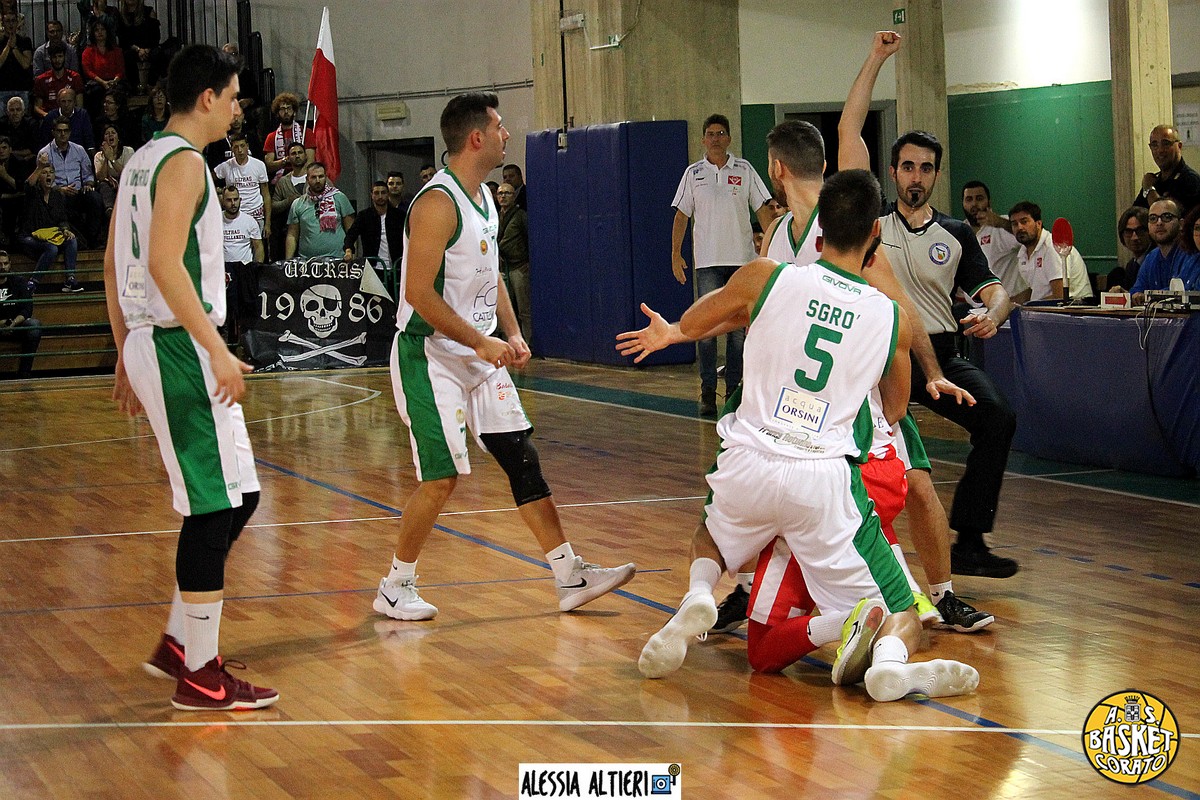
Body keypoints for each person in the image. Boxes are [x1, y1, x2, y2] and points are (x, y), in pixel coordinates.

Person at [633, 170, 977, 702]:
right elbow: (894, 408)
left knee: (711, 538)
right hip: (823, 479)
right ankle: (890, 664)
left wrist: (672, 331)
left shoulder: (765, 276)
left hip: (749, 461)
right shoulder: (891, 318)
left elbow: (697, 322)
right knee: (900, 611)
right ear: (875, 236)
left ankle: (700, 593)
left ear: (819, 233)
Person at [372, 91, 635, 621]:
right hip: (429, 355)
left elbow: (489, 273)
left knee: (521, 456)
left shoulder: (486, 199)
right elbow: (418, 293)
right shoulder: (436, 203)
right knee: (441, 478)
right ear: (477, 138)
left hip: (478, 352)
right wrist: (479, 340)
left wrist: (511, 332)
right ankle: (395, 586)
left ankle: (569, 575)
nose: (507, 133)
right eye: (499, 126)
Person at [104, 43, 277, 711]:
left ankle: (180, 640)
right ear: (207, 98)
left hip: (159, 340)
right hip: (181, 344)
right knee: (211, 507)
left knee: (242, 496)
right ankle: (200, 674)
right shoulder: (183, 163)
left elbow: (115, 263)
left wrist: (125, 348)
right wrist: (216, 351)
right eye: (232, 98)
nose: (237, 110)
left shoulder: (140, 161)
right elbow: (163, 265)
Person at [879, 129, 1018, 579]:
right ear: (893, 172)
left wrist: (993, 315)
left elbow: (998, 292)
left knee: (997, 417)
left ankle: (970, 541)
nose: (916, 177)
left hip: (938, 355)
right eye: (908, 167)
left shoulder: (956, 233)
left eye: (925, 168)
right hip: (883, 356)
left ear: (936, 175)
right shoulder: (874, 228)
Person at [671, 113, 773, 416]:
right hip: (707, 263)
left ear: (729, 138)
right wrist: (676, 254)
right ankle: (706, 391)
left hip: (742, 262)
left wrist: (773, 248)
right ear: (703, 139)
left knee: (738, 332)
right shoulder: (693, 173)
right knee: (706, 329)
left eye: (721, 133)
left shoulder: (745, 169)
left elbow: (763, 209)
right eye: (711, 134)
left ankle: (732, 392)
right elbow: (681, 216)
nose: (716, 138)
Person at [35, 117, 105, 248]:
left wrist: (88, 184)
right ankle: (74, 242)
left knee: (95, 198)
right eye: (59, 131)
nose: (63, 134)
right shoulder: (44, 153)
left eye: (65, 131)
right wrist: (59, 189)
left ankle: (93, 241)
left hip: (78, 192)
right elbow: (42, 179)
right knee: (58, 199)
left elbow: (88, 174)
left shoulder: (79, 150)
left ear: (70, 132)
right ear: (53, 132)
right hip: (57, 193)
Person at [1009, 200, 1092, 303]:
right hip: (1041, 308)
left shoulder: (1053, 247)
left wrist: (1028, 305)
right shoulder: (1022, 254)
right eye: (1014, 224)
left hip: (1073, 308)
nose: (1019, 227)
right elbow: (1034, 290)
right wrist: (1008, 303)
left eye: (1024, 222)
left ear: (1038, 224)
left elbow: (1060, 296)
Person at [20, 162, 81, 291]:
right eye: (44, 173)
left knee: (72, 240)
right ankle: (32, 283)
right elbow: (28, 185)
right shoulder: (33, 194)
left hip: (51, 236)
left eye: (51, 172)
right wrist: (39, 167)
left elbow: (62, 219)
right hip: (30, 236)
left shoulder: (57, 195)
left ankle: (70, 279)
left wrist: (65, 230)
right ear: (38, 177)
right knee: (52, 248)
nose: (48, 175)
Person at [961, 180, 1024, 299]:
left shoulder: (1004, 225)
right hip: (975, 307)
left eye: (979, 198)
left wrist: (1001, 223)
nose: (974, 204)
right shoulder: (960, 231)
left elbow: (1032, 236)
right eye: (969, 199)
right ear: (963, 203)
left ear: (989, 202)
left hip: (1008, 303)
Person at [1128, 198, 1200, 302]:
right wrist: (1127, 295)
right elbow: (1137, 289)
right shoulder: (1151, 257)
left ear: (1181, 224)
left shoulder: (1192, 253)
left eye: (1167, 217)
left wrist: (1148, 296)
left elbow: (1183, 291)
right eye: (1153, 218)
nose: (1159, 223)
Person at [219, 184, 261, 345]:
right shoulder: (215, 220)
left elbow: (258, 247)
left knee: (246, 309)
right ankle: (225, 343)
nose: (233, 203)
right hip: (223, 271)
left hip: (244, 269)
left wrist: (256, 267)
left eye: (236, 199)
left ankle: (246, 344)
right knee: (225, 309)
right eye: (229, 200)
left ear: (240, 200)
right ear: (223, 201)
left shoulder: (249, 221)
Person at [284, 161, 352, 259]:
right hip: (308, 261)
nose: (318, 180)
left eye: (321, 176)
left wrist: (352, 255)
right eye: (313, 177)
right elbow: (292, 235)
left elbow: (351, 230)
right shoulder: (298, 204)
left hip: (338, 259)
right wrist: (288, 261)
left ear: (325, 177)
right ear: (307, 179)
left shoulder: (339, 198)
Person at [1134, 125, 1200, 216]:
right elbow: (1133, 215)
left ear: (1179, 146)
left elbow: (1164, 216)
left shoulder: (1191, 180)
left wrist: (1149, 189)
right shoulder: (1154, 180)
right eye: (1154, 145)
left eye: (1166, 143)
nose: (1160, 150)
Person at [213, 133, 269, 239]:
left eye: (242, 146)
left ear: (247, 146)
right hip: (235, 213)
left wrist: (268, 223)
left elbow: (266, 195)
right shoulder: (226, 166)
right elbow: (209, 177)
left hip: (256, 213)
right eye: (236, 147)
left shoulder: (259, 165)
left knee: (259, 246)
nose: (240, 150)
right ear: (232, 149)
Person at [497, 181, 531, 342]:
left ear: (514, 196)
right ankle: (508, 342)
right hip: (503, 267)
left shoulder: (520, 215)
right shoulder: (495, 216)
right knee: (506, 309)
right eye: (500, 193)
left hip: (519, 266)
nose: (503, 196)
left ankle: (529, 342)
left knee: (524, 309)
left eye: (507, 193)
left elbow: (529, 238)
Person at [0, 248, 40, 376]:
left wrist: (13, 323)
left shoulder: (19, 281)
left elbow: (27, 308)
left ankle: (24, 373)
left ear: (10, 264)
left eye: (5, 263)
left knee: (34, 325)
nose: (2, 267)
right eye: (0, 264)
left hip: (15, 325)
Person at [342, 180, 401, 266]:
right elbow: (350, 235)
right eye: (376, 193)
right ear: (372, 195)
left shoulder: (399, 216)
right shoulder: (364, 216)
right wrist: (348, 251)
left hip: (397, 266)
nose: (380, 196)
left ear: (388, 194)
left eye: (383, 193)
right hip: (372, 266)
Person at [268, 140, 306, 258]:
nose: (297, 156)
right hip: (289, 232)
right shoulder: (283, 182)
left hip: (312, 232)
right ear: (288, 158)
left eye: (300, 152)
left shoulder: (316, 177)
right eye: (293, 153)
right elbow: (273, 206)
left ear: (305, 155)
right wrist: (288, 201)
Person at [262, 91, 311, 182]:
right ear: (277, 113)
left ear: (294, 112)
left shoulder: (306, 132)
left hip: (304, 177)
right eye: (282, 109)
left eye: (289, 108)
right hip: (281, 179)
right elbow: (269, 166)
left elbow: (310, 161)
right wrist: (285, 161)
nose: (286, 112)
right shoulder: (271, 137)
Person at [80, 18, 124, 119]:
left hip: (114, 82)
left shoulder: (116, 50)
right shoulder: (88, 52)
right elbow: (88, 71)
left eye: (102, 29)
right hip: (96, 82)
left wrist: (115, 81)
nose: (100, 32)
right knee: (96, 92)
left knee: (119, 92)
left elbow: (120, 70)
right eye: (97, 30)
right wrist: (103, 82)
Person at [32, 42, 84, 120]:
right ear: (50, 58)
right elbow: (37, 107)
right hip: (50, 119)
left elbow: (79, 106)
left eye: (60, 56)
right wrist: (48, 116)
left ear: (64, 57)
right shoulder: (41, 80)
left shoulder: (75, 77)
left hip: (70, 119)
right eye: (54, 57)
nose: (57, 60)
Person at [1106, 206, 1150, 291]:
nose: (1134, 237)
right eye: (1128, 232)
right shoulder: (1131, 266)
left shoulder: (1155, 261)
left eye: (1140, 231)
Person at [92, 121, 132, 213]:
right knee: (103, 184)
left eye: (113, 133)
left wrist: (112, 159)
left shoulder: (128, 151)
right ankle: (109, 210)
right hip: (108, 185)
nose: (110, 135)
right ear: (103, 140)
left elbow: (127, 174)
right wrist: (106, 158)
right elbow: (101, 177)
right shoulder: (98, 156)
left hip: (124, 182)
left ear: (118, 138)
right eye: (107, 134)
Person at [0, 11, 33, 106]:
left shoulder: (25, 41)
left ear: (17, 23)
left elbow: (25, 64)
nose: (10, 24)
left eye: (13, 21)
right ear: (3, 23)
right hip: (2, 89)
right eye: (7, 21)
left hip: (21, 88)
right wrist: (8, 47)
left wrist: (14, 48)